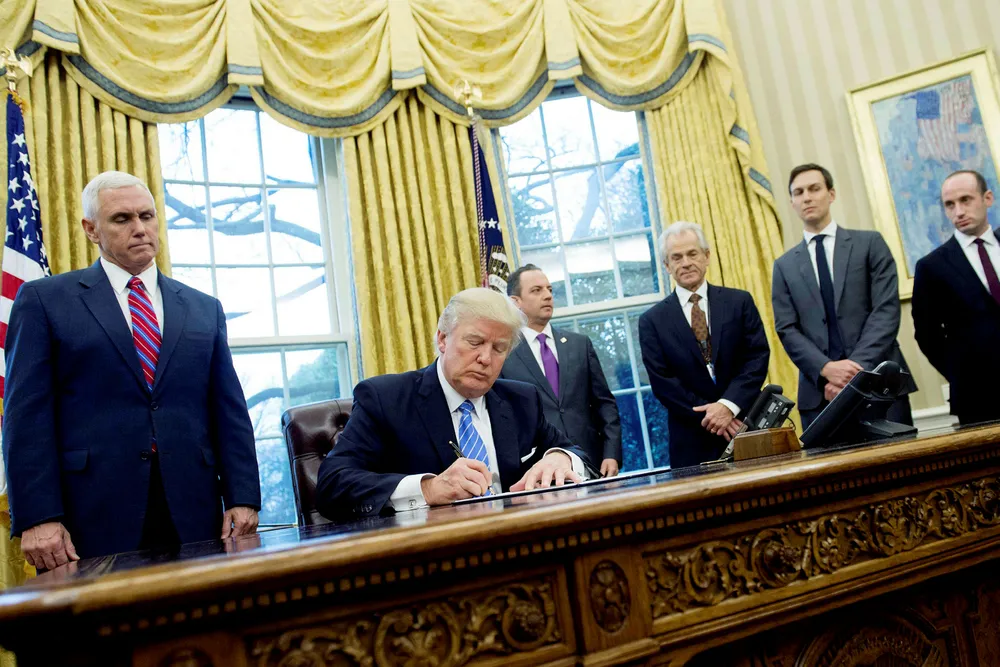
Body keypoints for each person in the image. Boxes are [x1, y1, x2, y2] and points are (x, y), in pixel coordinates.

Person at [3, 171, 261, 568]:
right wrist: (39, 516)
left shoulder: (203, 307)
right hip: (89, 516)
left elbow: (229, 411)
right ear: (91, 229)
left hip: (194, 511)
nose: (139, 228)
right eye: (122, 219)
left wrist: (243, 496)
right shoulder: (44, 300)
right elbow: (26, 417)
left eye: (147, 216)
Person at [315, 288, 592, 519]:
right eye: (475, 342)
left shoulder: (522, 400)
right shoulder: (385, 398)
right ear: (443, 338)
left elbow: (577, 452)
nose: (485, 358)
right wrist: (427, 489)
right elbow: (332, 484)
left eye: (499, 349)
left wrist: (561, 457)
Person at [772, 164, 916, 430]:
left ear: (831, 194)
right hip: (821, 395)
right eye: (799, 192)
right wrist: (827, 369)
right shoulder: (783, 266)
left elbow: (886, 311)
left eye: (814, 189)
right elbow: (786, 329)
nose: (807, 197)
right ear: (792, 202)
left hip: (881, 385)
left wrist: (853, 371)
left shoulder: (870, 244)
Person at [638, 221, 770, 468]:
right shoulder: (652, 321)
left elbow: (757, 358)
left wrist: (728, 406)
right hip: (691, 440)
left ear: (707, 256)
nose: (686, 262)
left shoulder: (739, 302)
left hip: (744, 428)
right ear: (666, 265)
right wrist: (714, 415)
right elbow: (663, 382)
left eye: (692, 254)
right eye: (676, 257)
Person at [501, 265, 622, 477]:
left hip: (591, 462)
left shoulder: (580, 344)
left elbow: (604, 403)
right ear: (515, 302)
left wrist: (611, 453)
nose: (548, 296)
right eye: (536, 290)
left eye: (549, 289)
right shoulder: (504, 354)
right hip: (537, 471)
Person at [912, 169, 1000, 425]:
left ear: (987, 198)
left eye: (965, 200)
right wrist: (963, 375)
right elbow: (927, 336)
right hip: (979, 398)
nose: (958, 211)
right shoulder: (931, 266)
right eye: (950, 205)